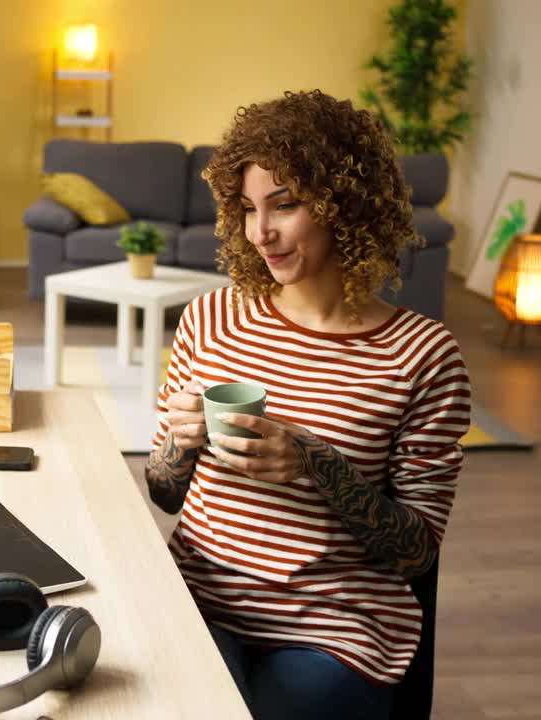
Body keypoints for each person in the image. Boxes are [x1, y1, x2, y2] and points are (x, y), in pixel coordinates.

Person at [145, 90, 471, 719]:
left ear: (344, 205)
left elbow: (416, 550)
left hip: (336, 628)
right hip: (200, 597)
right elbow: (165, 494)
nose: (259, 232)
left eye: (284, 205)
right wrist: (177, 445)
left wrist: (314, 462)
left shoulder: (424, 355)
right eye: (246, 209)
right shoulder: (212, 319)